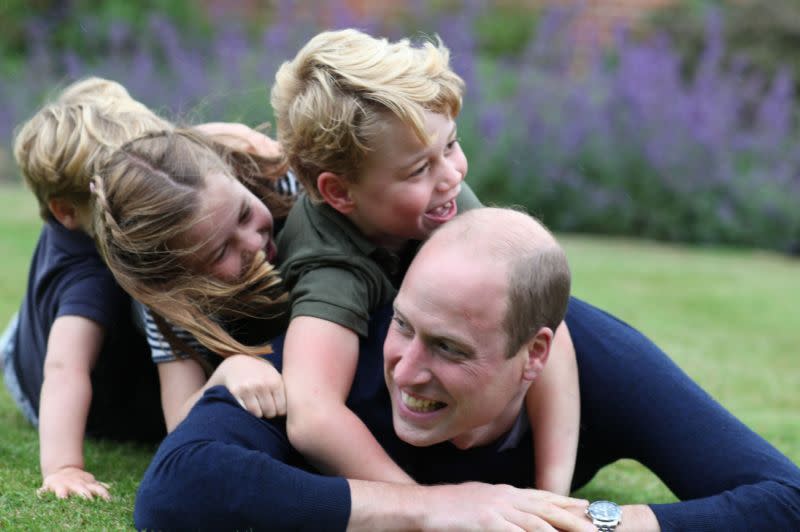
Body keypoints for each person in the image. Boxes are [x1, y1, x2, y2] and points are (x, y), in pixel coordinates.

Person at [133, 207, 800, 531]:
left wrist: (586, 523)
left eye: (449, 349)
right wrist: (431, 511)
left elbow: (783, 498)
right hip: (128, 361)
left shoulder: (601, 362)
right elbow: (174, 491)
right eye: (405, 325)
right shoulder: (338, 352)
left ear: (534, 355)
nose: (408, 370)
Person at [270, 28, 580, 493]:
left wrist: (553, 495)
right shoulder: (330, 263)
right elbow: (313, 416)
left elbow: (548, 327)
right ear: (339, 192)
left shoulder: (440, 195)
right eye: (419, 169)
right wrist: (427, 509)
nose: (452, 175)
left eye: (451, 145)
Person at [1, 77, 171, 501]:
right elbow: (64, 371)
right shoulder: (90, 277)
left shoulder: (81, 215)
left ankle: (25, 328)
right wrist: (64, 467)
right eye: (127, 194)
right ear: (67, 210)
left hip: (30, 333)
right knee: (69, 327)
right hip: (36, 383)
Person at [91, 128, 295, 432]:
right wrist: (227, 371)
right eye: (221, 250)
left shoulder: (284, 183)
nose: (253, 242)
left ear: (233, 174)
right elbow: (178, 421)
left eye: (242, 213)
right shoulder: (172, 302)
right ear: (178, 278)